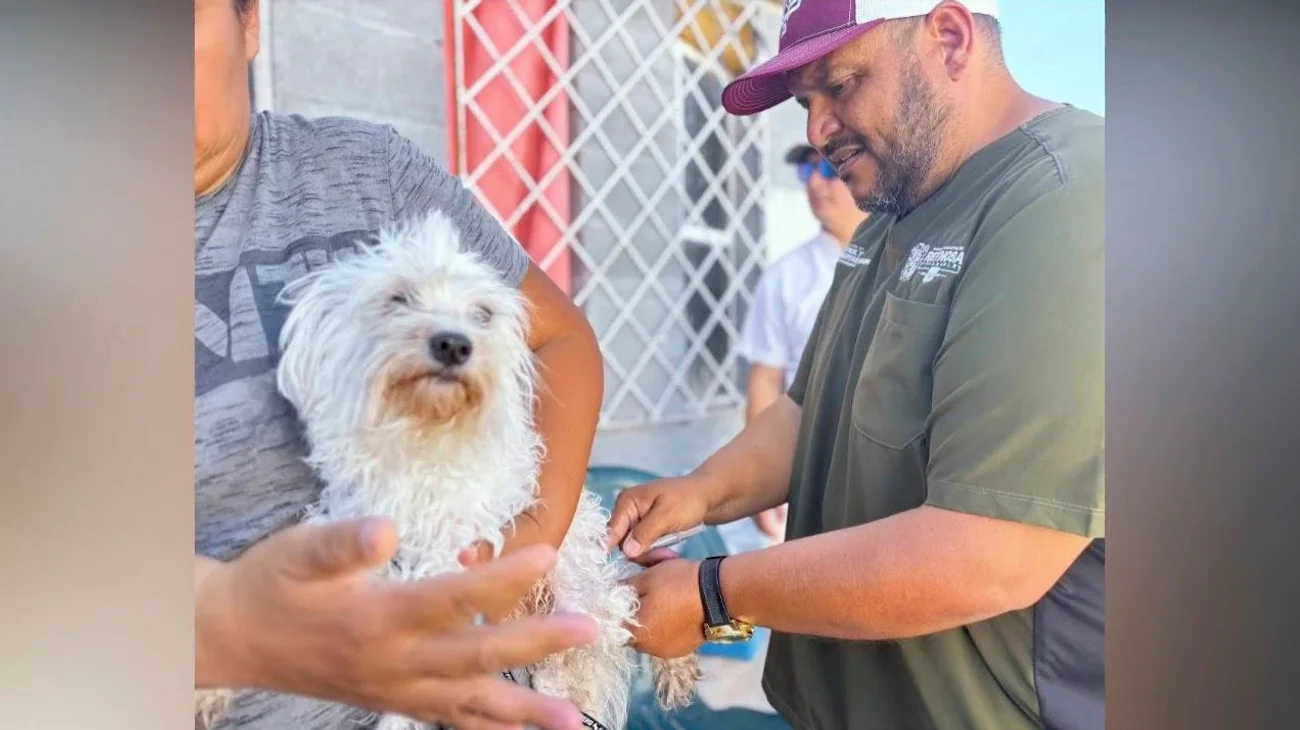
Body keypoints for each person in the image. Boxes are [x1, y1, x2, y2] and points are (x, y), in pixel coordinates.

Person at [607, 1, 1104, 729]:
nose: (815, 129)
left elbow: (989, 553)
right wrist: (699, 493)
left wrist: (713, 595)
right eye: (806, 101)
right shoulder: (889, 223)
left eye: (838, 85)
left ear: (950, 38)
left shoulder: (1066, 202)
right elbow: (810, 412)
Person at [194, 1, 604, 728]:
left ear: (248, 22)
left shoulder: (367, 174)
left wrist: (526, 546)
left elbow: (558, 339)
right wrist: (222, 628)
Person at [738, 143, 867, 541]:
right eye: (806, 172)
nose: (814, 182)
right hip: (811, 467)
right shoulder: (786, 277)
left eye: (828, 169)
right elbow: (764, 381)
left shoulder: (906, 257)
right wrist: (758, 479)